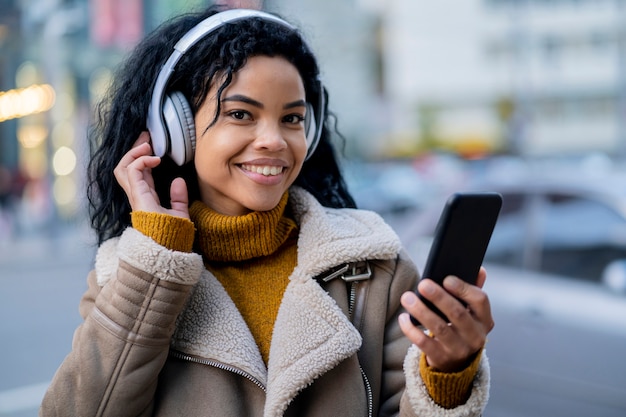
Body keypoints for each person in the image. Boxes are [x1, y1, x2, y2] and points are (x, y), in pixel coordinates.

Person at [41, 5, 494, 416]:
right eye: (241, 114)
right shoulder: (125, 273)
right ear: (175, 130)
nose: (274, 140)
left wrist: (448, 373)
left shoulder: (374, 267)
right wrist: (157, 261)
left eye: (292, 118)